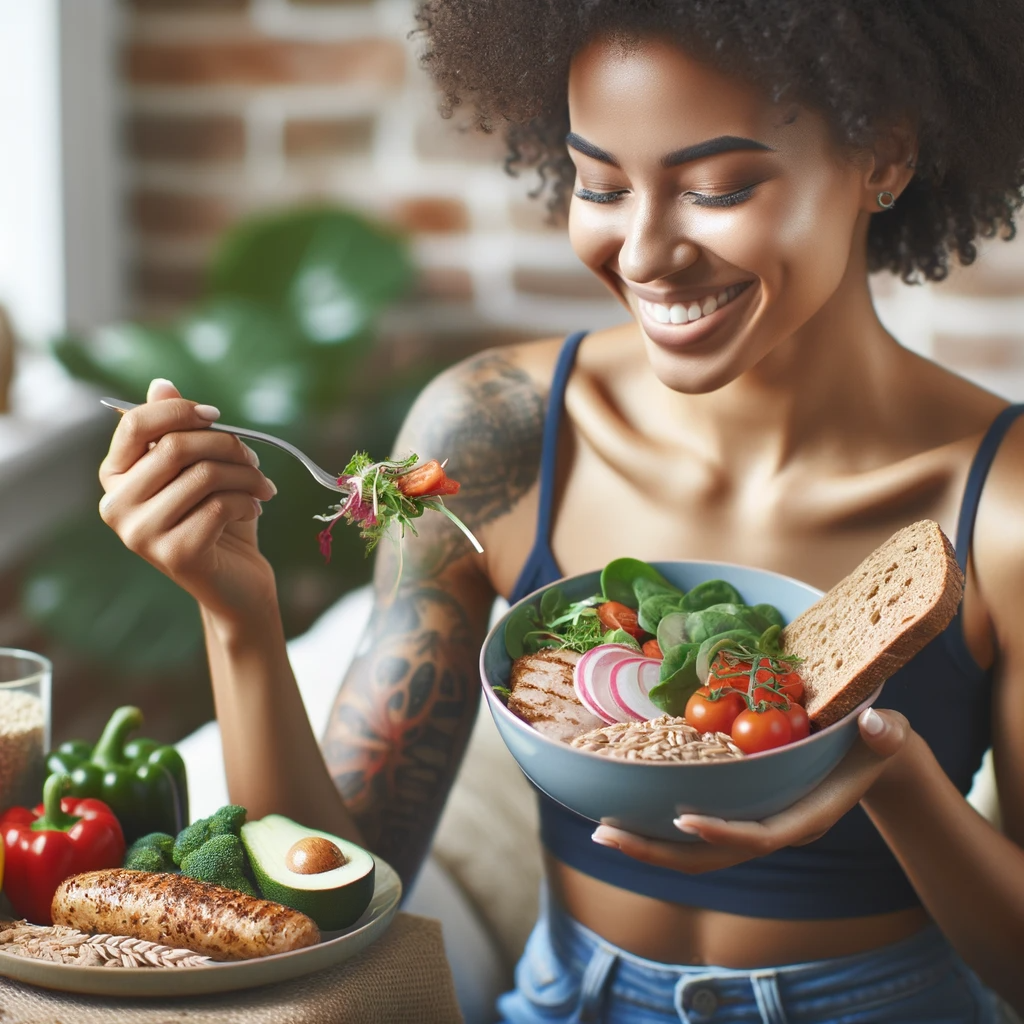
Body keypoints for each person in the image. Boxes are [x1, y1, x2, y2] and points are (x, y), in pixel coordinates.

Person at [98, 2, 1024, 1020]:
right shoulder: (491, 434)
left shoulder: (1002, 504)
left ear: (882, 156)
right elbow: (337, 891)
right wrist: (237, 615)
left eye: (717, 187)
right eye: (602, 185)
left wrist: (887, 774)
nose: (641, 253)